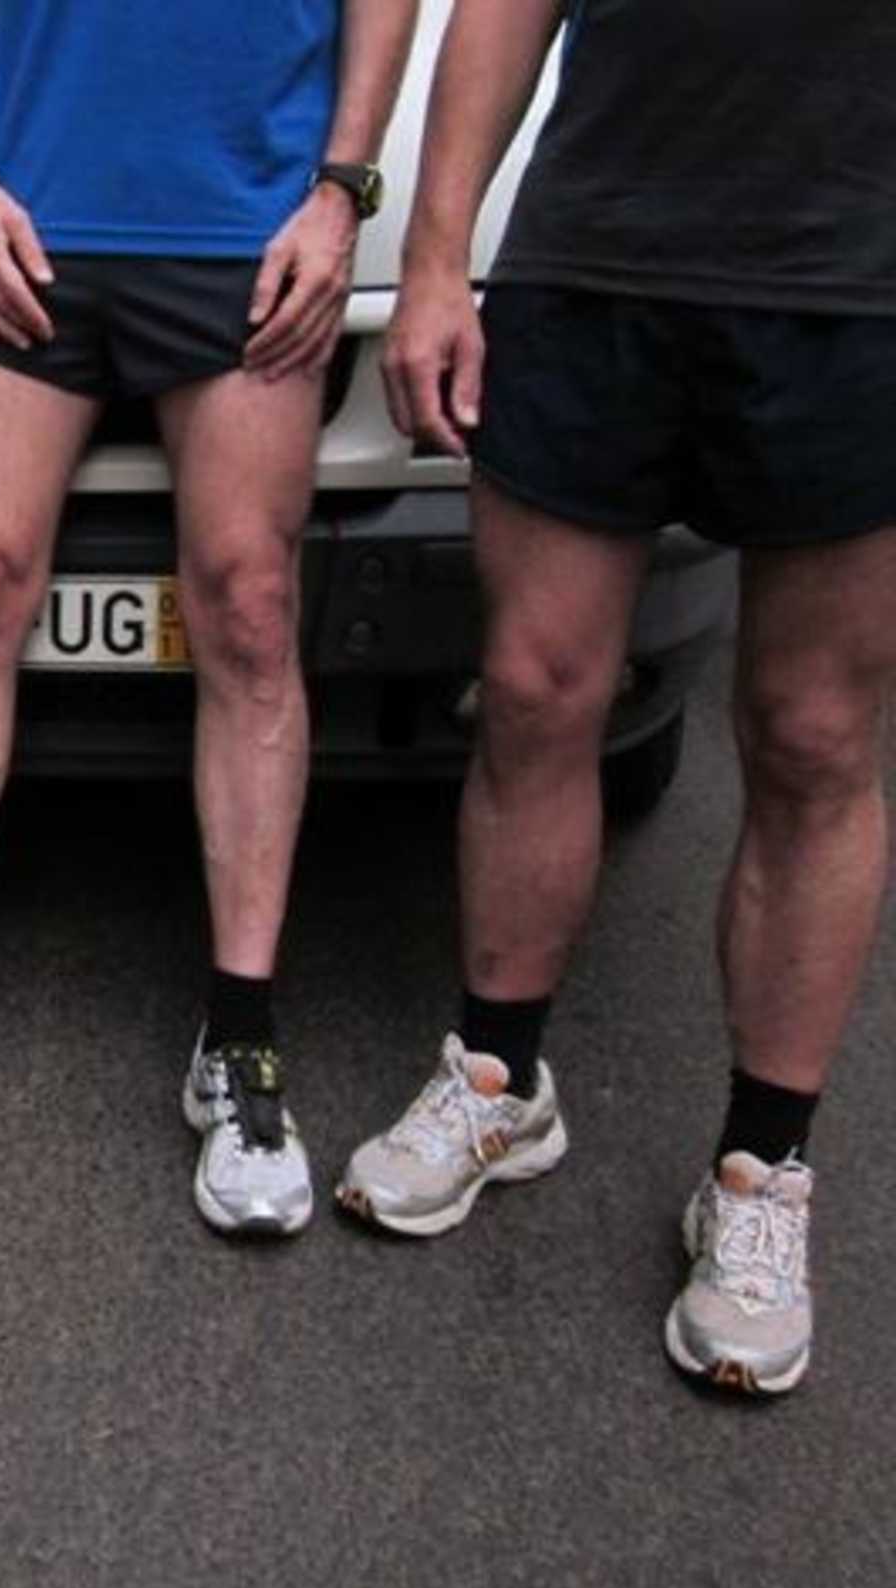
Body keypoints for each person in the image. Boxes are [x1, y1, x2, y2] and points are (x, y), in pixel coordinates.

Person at [344, 0, 896, 1393]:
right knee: (532, 691)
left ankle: (761, 1171)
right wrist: (435, 262)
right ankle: (497, 1080)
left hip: (859, 290)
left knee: (814, 738)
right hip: (593, 267)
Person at [0, 0, 419, 1228]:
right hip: (32, 224)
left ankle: (240, 1039)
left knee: (251, 609)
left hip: (246, 230)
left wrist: (341, 194)